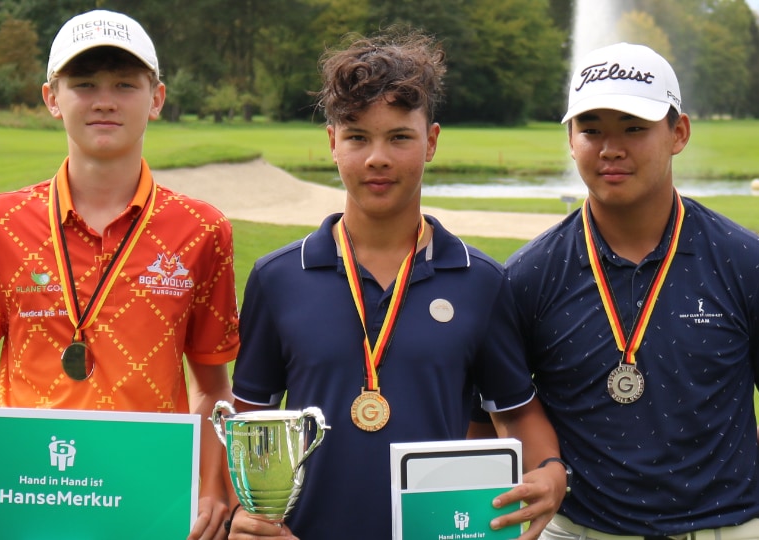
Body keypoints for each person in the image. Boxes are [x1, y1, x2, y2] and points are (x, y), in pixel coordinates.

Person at [0, 10, 238, 540]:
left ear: (158, 99)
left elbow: (212, 385)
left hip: (153, 504)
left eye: (126, 84)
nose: (105, 100)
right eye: (84, 84)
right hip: (28, 498)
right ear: (52, 99)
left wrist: (213, 486)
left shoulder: (202, 230)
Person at [224, 28, 567, 540]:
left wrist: (551, 474)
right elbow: (248, 424)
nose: (376, 158)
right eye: (357, 136)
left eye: (399, 137)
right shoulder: (279, 278)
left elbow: (515, 414)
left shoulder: (480, 281)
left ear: (430, 141)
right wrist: (245, 516)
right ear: (332, 143)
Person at [506, 42, 759, 539]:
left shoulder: (747, 261)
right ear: (569, 138)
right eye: (591, 129)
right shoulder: (529, 274)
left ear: (679, 133)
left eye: (634, 128)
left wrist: (723, 496)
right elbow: (499, 411)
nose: (611, 148)